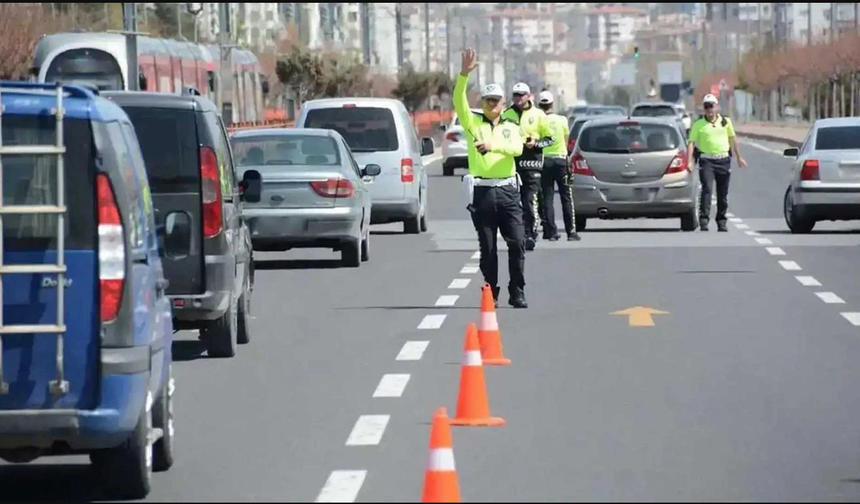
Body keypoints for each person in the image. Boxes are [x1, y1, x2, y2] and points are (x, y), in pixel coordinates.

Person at [453, 48, 528, 308]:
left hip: (508, 192)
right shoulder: (473, 124)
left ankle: (517, 290)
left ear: (504, 104)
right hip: (483, 193)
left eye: (496, 100)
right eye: (487, 100)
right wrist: (463, 74)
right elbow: (458, 101)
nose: (491, 104)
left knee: (517, 242)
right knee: (488, 248)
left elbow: (517, 149)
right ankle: (490, 291)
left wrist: (493, 146)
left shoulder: (511, 127)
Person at [502, 83, 555, 252]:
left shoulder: (538, 115)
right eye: (515, 95)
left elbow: (550, 139)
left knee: (529, 200)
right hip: (512, 164)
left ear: (529, 96)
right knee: (512, 202)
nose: (518, 98)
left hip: (533, 164)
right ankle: (516, 233)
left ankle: (530, 234)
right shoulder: (507, 114)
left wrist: (536, 144)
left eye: (521, 95)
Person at [686, 93, 747, 232]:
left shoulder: (725, 122)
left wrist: (739, 157)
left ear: (717, 107)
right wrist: (690, 161)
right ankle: (704, 219)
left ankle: (721, 220)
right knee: (707, 188)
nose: (709, 109)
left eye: (711, 106)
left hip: (723, 160)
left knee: (722, 192)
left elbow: (733, 139)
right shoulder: (698, 124)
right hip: (706, 160)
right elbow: (691, 143)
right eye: (706, 106)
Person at [536, 90, 579, 242]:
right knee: (566, 196)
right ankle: (571, 231)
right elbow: (566, 140)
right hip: (561, 161)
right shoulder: (562, 120)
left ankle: (551, 231)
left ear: (539, 105)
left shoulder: (538, 121)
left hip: (544, 161)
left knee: (547, 197)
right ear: (552, 104)